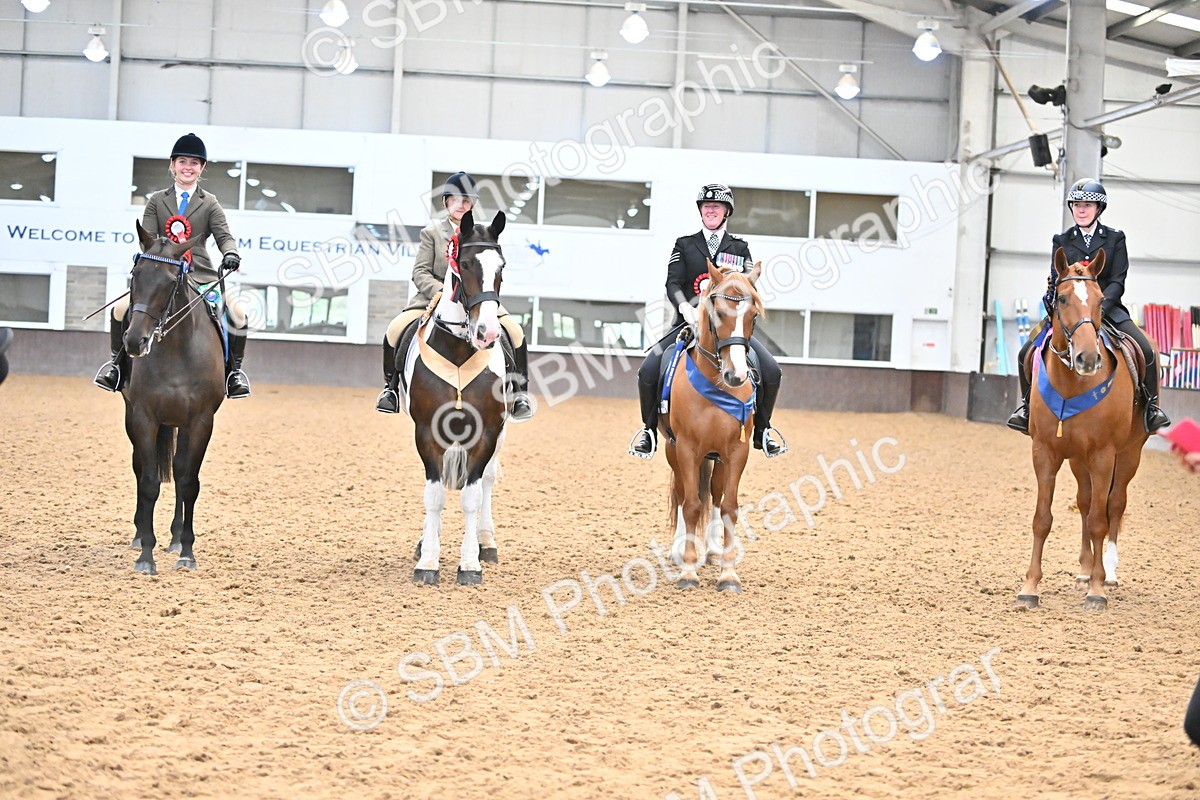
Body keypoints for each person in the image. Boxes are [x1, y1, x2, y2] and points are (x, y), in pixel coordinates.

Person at [627, 183, 787, 459]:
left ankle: (763, 430)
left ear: (727, 212)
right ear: (700, 211)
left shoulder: (739, 247)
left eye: (716, 207)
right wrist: (686, 310)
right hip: (688, 325)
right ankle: (649, 431)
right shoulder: (685, 244)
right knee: (648, 370)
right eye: (706, 206)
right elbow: (673, 283)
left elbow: (749, 287)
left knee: (771, 371)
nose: (710, 210)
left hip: (729, 328)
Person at [1007, 178, 1170, 434]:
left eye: (1088, 205)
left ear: (1098, 209)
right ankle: (1027, 408)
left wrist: (1098, 309)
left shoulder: (1115, 238)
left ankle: (1151, 408)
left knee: (1146, 350)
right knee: (1026, 351)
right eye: (1077, 205)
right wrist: (1051, 304)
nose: (1082, 210)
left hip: (1107, 308)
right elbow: (1055, 277)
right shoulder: (1061, 239)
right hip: (1069, 312)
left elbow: (1118, 280)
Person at [94, 132, 250, 398]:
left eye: (193, 163)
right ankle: (116, 367)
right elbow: (149, 239)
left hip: (199, 275)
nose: (187, 167)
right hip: (162, 273)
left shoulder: (209, 203)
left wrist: (230, 253)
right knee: (120, 310)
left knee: (238, 313)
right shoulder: (156, 200)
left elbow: (223, 235)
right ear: (173, 165)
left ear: (201, 168)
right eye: (182, 162)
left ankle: (233, 373)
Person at [375, 171, 532, 420]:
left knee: (515, 331)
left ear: (472, 205)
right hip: (433, 301)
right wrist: (442, 291)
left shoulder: (484, 234)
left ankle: (520, 393)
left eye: (466, 201)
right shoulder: (432, 233)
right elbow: (420, 271)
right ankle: (391, 389)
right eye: (456, 199)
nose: (461, 205)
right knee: (395, 330)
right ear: (446, 202)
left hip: (475, 301)